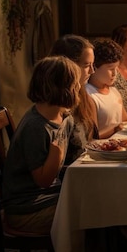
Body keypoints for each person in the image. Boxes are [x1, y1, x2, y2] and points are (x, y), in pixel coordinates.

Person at [1, 56, 80, 234]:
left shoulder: (64, 117)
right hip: (28, 210)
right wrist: (56, 155)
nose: (80, 87)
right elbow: (44, 181)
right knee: (97, 214)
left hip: (51, 196)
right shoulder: (35, 127)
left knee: (103, 201)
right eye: (76, 84)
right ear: (64, 89)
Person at [49, 34, 99, 165]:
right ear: (69, 65)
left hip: (82, 165)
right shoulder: (55, 103)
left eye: (93, 65)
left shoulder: (81, 93)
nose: (92, 71)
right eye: (87, 65)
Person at [86, 38, 127, 139]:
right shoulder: (89, 95)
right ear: (94, 67)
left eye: (117, 68)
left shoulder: (114, 91)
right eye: (111, 69)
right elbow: (92, 136)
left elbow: (126, 120)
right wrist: (115, 129)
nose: (115, 73)